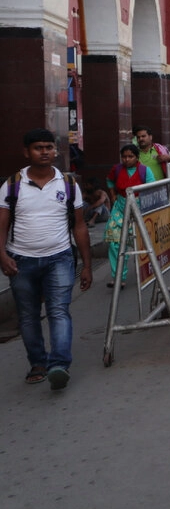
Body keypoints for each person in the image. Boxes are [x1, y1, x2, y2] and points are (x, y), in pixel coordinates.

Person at [0, 129, 93, 389]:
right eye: (38, 148)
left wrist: (86, 265)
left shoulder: (68, 183)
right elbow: (1, 225)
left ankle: (59, 365)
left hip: (60, 258)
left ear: (56, 150)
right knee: (28, 316)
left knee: (59, 311)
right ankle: (38, 363)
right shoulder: (12, 184)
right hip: (21, 261)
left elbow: (80, 226)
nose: (45, 152)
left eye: (49, 147)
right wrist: (2, 255)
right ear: (26, 152)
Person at [105, 144, 150, 288]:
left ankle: (148, 272)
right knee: (114, 242)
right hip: (119, 208)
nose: (126, 159)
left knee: (142, 241)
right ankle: (118, 277)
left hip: (139, 209)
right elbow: (109, 181)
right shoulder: (117, 169)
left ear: (137, 157)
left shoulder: (144, 170)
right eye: (124, 156)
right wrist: (112, 197)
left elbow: (152, 188)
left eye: (130, 156)